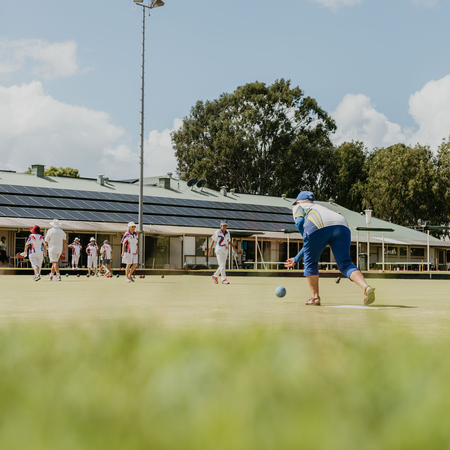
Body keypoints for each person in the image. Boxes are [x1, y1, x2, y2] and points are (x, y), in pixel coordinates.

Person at [285, 191, 375, 306]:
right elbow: (309, 243)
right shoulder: (320, 207)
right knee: (345, 263)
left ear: (298, 201)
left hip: (317, 225)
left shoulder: (298, 206)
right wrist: (296, 258)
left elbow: (300, 222)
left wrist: (305, 236)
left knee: (311, 262)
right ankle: (366, 287)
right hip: (342, 224)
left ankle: (315, 298)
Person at [208, 220, 238, 285]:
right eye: (223, 225)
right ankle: (224, 279)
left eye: (225, 225)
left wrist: (234, 248)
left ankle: (215, 276)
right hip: (218, 250)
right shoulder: (217, 232)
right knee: (222, 265)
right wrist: (210, 250)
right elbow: (213, 241)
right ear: (221, 225)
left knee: (222, 265)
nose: (224, 227)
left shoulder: (228, 233)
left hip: (225, 250)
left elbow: (229, 241)